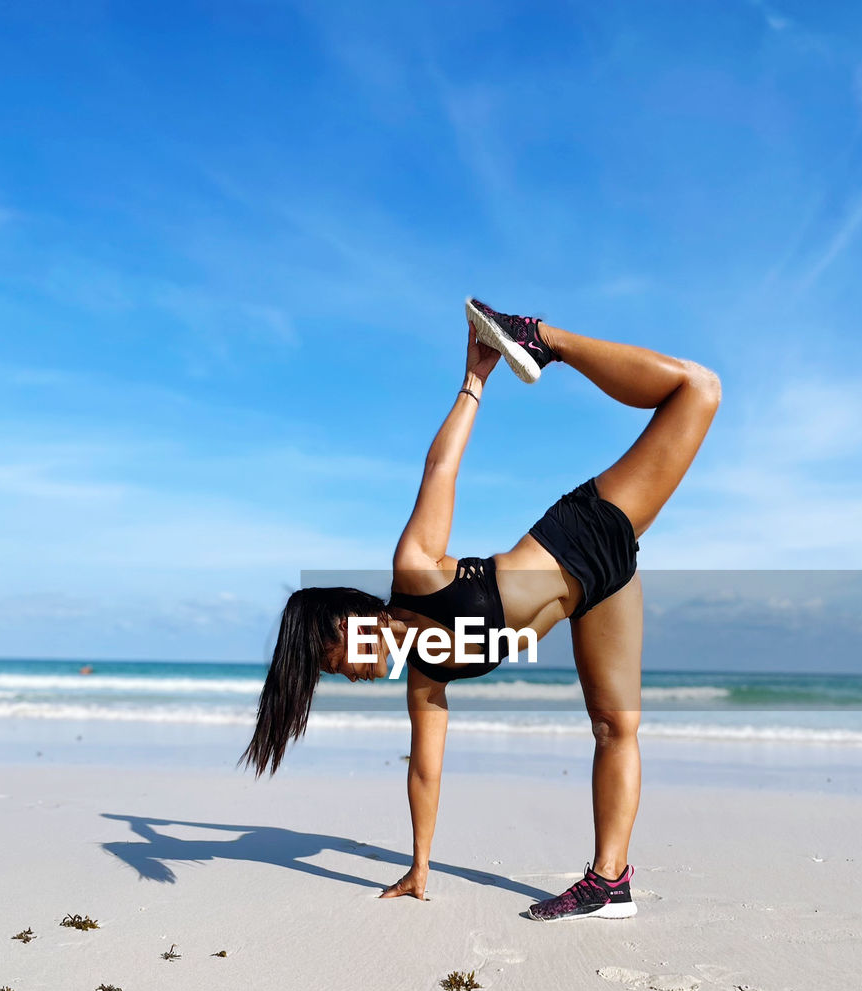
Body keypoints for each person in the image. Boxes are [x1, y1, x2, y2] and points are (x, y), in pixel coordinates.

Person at [241, 299, 721, 920]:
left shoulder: (415, 571)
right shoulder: (426, 674)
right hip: (603, 589)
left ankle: (542, 337)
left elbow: (440, 467)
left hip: (582, 533)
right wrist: (419, 867)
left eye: (336, 660)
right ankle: (610, 881)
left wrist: (474, 382)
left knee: (696, 390)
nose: (351, 674)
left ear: (346, 623)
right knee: (615, 728)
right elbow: (424, 774)